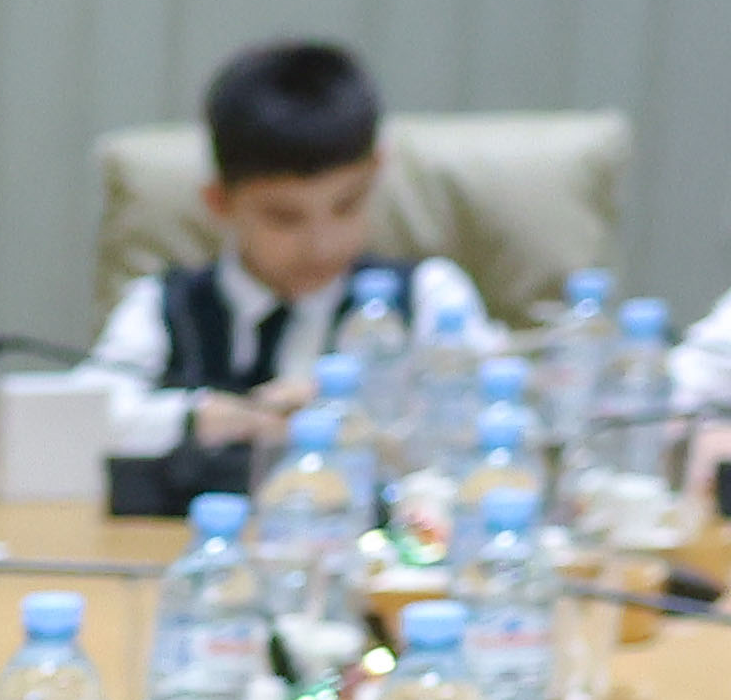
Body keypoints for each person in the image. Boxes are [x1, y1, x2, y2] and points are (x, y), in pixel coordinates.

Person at [79, 37, 490, 512]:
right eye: (284, 219)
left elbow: (492, 424)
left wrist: (363, 419)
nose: (322, 244)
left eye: (347, 205)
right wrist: (205, 417)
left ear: (376, 172)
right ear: (220, 202)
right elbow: (78, 417)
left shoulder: (428, 295)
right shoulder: (162, 304)